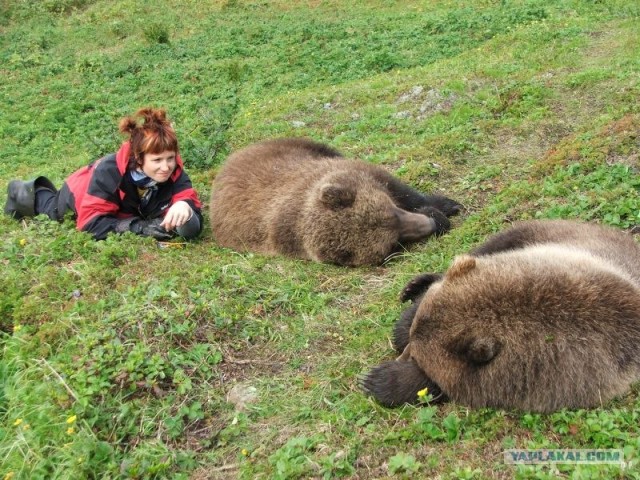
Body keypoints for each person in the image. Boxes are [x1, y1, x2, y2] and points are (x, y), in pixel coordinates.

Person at [4, 107, 203, 241]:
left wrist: (184, 205)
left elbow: (188, 198)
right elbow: (90, 224)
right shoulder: (109, 173)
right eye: (157, 160)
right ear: (139, 158)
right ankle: (22, 191)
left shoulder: (173, 169)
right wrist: (139, 227)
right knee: (54, 211)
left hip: (125, 207)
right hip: (80, 191)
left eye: (170, 158)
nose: (166, 167)